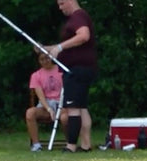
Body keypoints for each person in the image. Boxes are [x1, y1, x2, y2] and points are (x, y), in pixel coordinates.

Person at [45, 0, 98, 153]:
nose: (60, 8)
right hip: (81, 69)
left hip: (77, 71)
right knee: (82, 108)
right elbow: (65, 47)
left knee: (73, 108)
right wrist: (46, 49)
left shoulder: (78, 17)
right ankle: (86, 145)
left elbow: (84, 36)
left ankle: (71, 146)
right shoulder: (78, 17)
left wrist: (60, 47)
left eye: (62, 4)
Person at [26, 52, 67, 151]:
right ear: (39, 61)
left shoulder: (61, 70)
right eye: (42, 59)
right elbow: (40, 96)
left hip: (61, 103)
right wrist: (49, 109)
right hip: (46, 104)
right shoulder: (36, 75)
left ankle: (69, 143)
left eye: (47, 58)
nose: (45, 61)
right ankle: (36, 145)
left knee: (65, 118)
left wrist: (62, 107)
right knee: (30, 113)